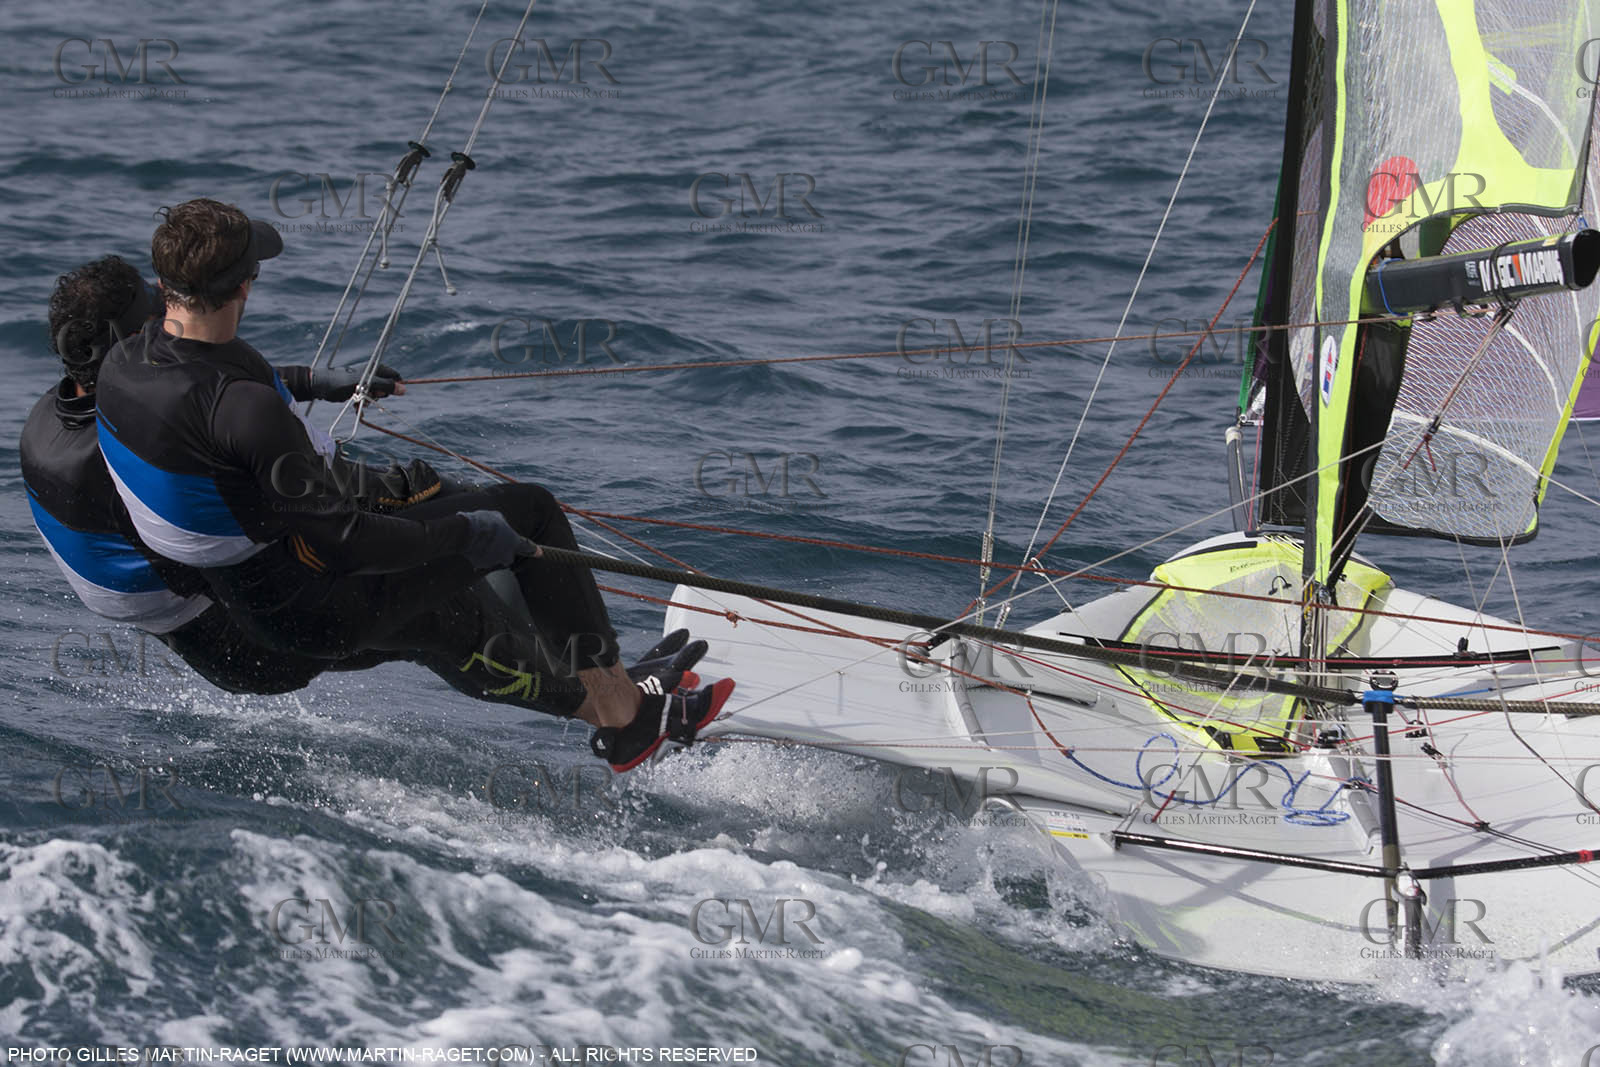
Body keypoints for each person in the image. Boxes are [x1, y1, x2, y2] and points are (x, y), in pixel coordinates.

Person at [94, 200, 731, 770]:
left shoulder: (129, 360)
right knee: (525, 513)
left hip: (260, 598)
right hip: (321, 604)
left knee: (453, 558)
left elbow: (212, 413)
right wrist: (469, 536)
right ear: (245, 286)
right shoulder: (244, 411)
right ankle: (628, 719)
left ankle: (608, 690)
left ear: (165, 287)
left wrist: (315, 382)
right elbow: (346, 542)